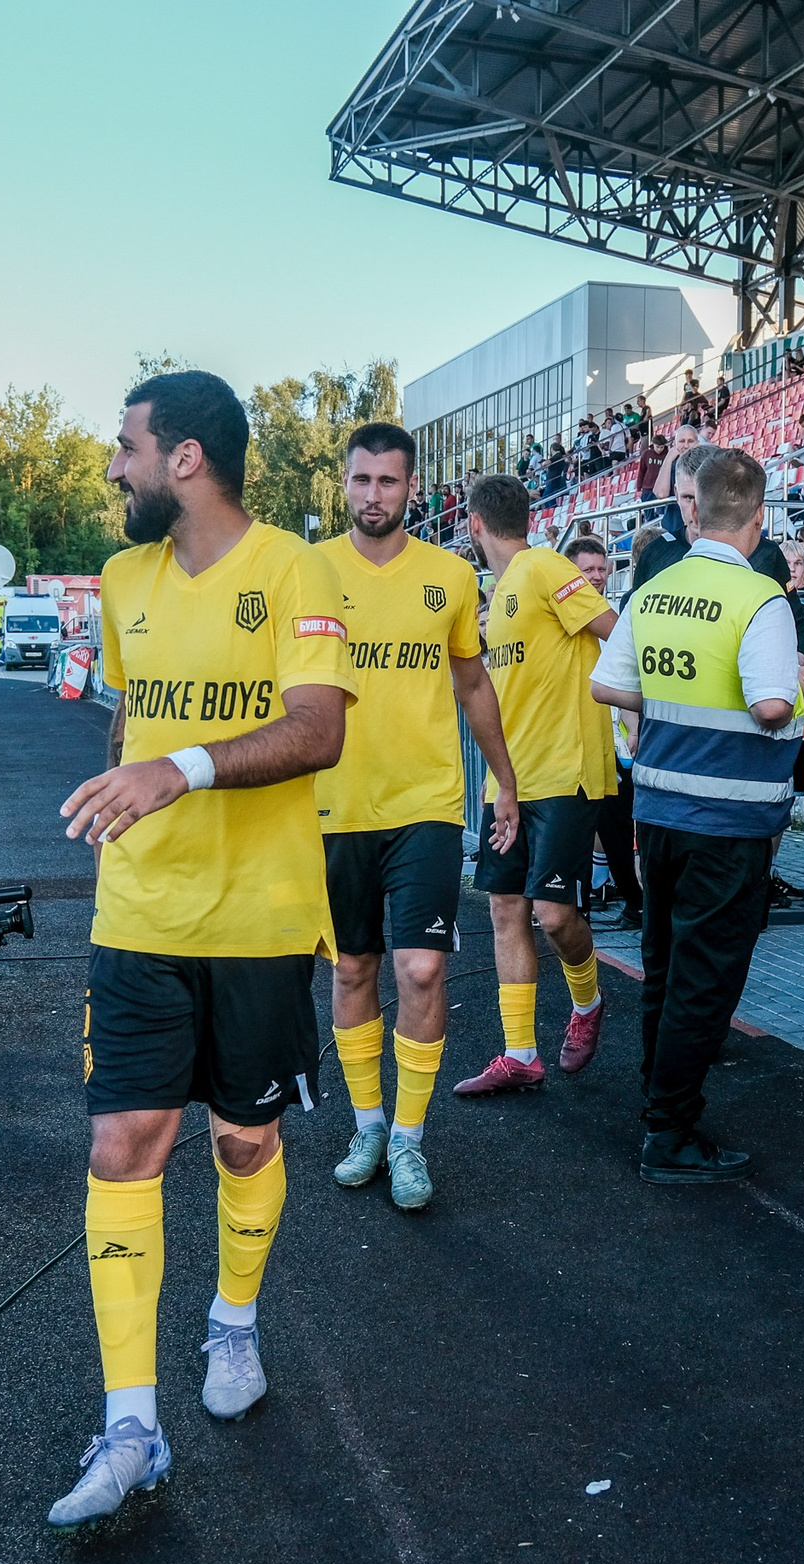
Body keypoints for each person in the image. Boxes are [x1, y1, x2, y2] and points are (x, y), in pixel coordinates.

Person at [45, 370, 352, 1531]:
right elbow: (131, 720)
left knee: (243, 1138)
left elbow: (317, 729)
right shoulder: (122, 580)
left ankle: (233, 1320)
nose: (113, 466)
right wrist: (134, 775)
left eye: (126, 446)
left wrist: (181, 769)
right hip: (137, 917)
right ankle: (132, 1424)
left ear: (184, 459)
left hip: (261, 919)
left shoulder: (295, 567)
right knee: (123, 1142)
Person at [316, 422, 519, 1211]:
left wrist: (503, 780)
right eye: (361, 480)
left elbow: (473, 685)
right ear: (346, 485)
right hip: (332, 807)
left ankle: (407, 1137)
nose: (374, 495)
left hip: (426, 805)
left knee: (423, 968)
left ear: (412, 488)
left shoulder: (449, 576)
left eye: (388, 482)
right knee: (351, 968)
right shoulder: (309, 572)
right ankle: (366, 1123)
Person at [581, 447, 797, 1185]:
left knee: (665, 971)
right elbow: (772, 705)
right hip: (727, 819)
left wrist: (679, 707)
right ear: (760, 516)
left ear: (695, 509)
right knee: (705, 981)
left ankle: (657, 1104)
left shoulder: (655, 589)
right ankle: (669, 1132)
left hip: (661, 810)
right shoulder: (761, 598)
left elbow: (608, 686)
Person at [452, 472, 621, 1099]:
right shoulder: (496, 598)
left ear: (474, 524)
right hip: (511, 782)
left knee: (553, 915)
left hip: (564, 772)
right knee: (504, 909)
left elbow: (615, 630)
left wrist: (629, 709)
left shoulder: (546, 566)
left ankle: (587, 1002)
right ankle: (518, 1053)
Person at [568, 537, 646, 930]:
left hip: (612, 746)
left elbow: (629, 683)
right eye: (588, 570)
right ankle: (579, 907)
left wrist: (632, 731)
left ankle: (634, 902)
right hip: (572, 746)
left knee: (617, 833)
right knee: (584, 833)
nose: (597, 577)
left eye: (602, 569)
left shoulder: (613, 619)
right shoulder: (566, 619)